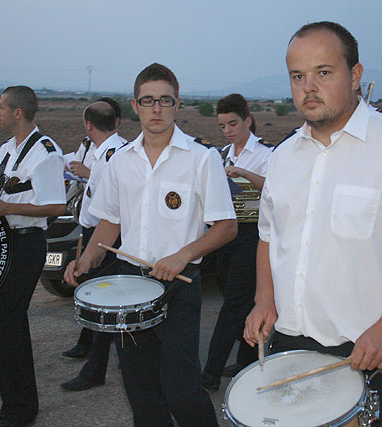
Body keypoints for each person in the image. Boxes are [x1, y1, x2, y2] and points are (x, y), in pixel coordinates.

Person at [243, 22, 382, 426]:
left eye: (323, 72)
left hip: (373, 355)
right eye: (298, 76)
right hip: (290, 348)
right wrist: (264, 299)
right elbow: (269, 237)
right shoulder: (283, 157)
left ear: (355, 75)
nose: (309, 88)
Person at [65, 63, 237, 426]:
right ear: (135, 105)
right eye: (148, 100)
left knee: (181, 388)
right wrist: (89, 258)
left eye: (164, 100)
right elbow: (110, 221)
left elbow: (226, 226)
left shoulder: (202, 158)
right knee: (140, 389)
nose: (156, 109)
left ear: (177, 103)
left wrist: (183, 254)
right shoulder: (120, 161)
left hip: (178, 286)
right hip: (130, 285)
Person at [0, 86, 66, 426]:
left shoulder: (45, 153)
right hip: (4, 242)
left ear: (18, 112)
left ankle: (21, 409)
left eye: (1, 107)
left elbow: (55, 206)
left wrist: (8, 208)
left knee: (10, 324)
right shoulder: (6, 150)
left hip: (27, 244)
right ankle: (11, 403)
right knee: (4, 324)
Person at [201, 94, 272, 390]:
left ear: (247, 121)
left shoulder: (266, 154)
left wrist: (243, 173)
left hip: (252, 233)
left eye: (233, 123)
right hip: (226, 232)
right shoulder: (223, 154)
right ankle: (246, 361)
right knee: (240, 301)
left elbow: (275, 188)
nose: (228, 130)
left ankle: (210, 373)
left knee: (233, 304)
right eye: (222, 126)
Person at [60, 101, 127, 391]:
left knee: (105, 303)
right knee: (102, 301)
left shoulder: (114, 155)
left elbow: (112, 209)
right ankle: (95, 356)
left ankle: (95, 369)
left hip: (108, 238)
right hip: (96, 234)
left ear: (88, 125)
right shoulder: (102, 152)